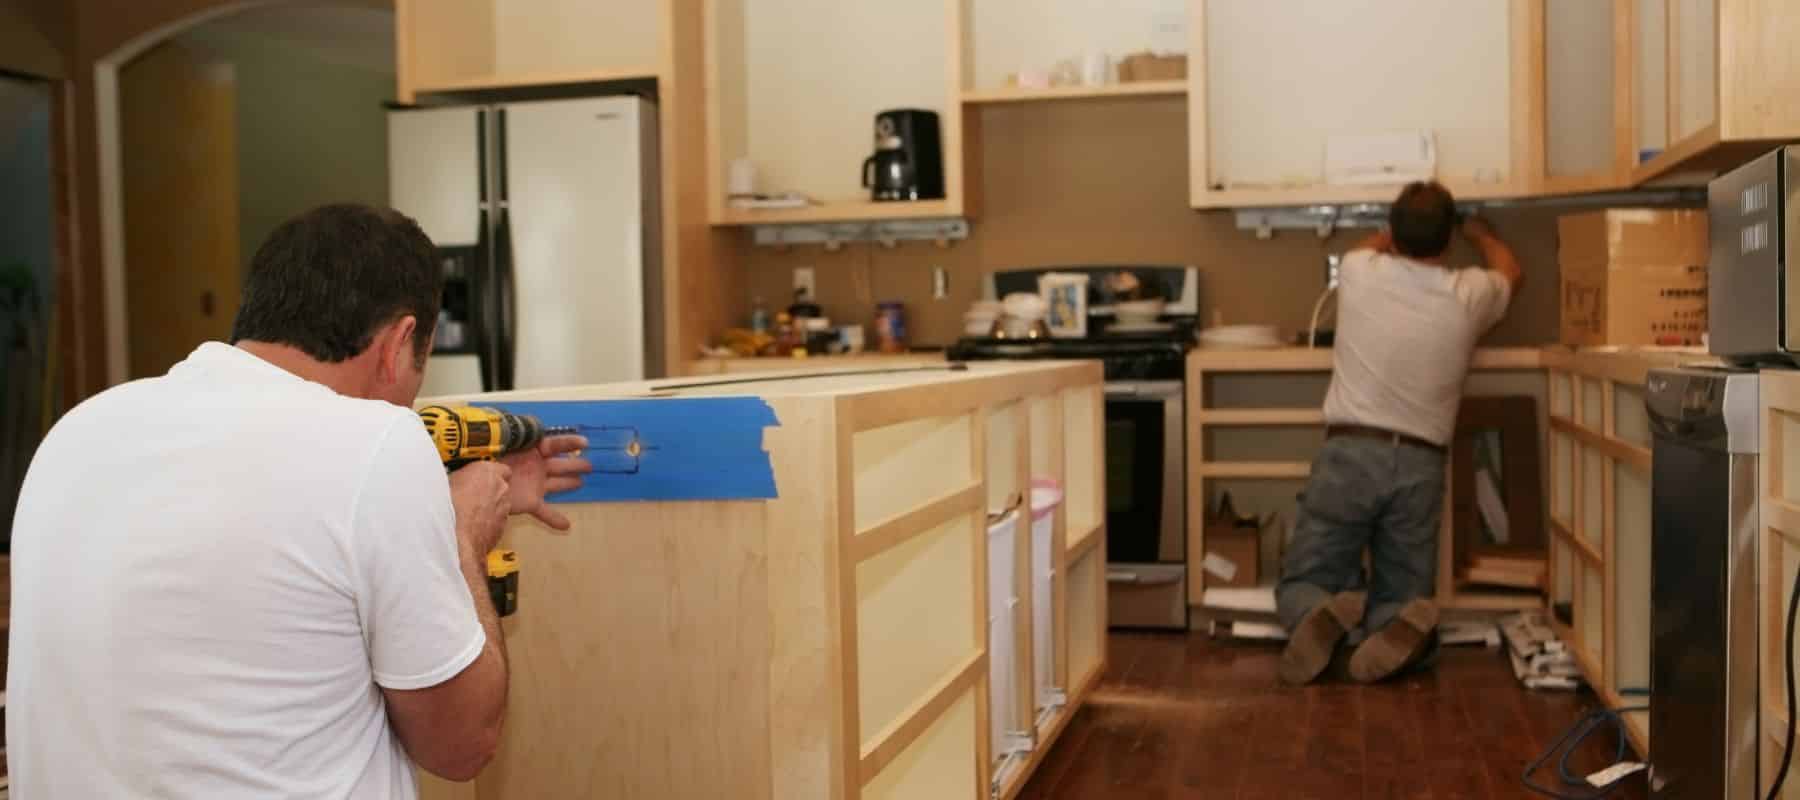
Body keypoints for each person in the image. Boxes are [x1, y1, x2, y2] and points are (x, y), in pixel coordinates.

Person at [6, 204, 593, 796]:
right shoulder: (379, 446)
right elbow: (463, 744)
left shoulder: (80, 430)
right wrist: (461, 535)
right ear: (399, 343)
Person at [1275, 181, 1522, 685]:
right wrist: (1477, 229)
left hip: (1350, 450)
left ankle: (1313, 616)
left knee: (1307, 573)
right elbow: (1511, 270)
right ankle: (1394, 629)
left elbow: (1366, 247)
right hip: (1420, 460)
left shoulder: (1360, 271)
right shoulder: (1470, 293)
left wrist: (1387, 234)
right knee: (1404, 588)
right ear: (1448, 241)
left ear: (1391, 231)